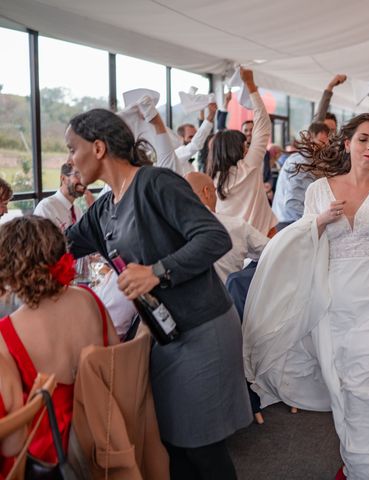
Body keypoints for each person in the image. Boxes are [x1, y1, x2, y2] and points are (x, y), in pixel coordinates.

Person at [244, 102, 369, 479]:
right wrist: (319, 221)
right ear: (347, 143)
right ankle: (358, 465)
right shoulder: (319, 190)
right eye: (363, 139)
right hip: (333, 301)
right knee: (344, 387)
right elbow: (300, 239)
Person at [64, 108, 251, 479]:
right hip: (164, 337)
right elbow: (61, 245)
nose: (70, 160)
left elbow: (214, 238)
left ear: (98, 147)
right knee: (173, 446)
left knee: (202, 450)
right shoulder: (104, 208)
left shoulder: (156, 183)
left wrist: (156, 273)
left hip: (203, 329)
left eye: (73, 148)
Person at [0, 215, 119, 468]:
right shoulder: (89, 298)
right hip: (108, 427)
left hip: (51, 454)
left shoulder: (6, 333)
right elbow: (117, 359)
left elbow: (13, 439)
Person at [207, 68, 277, 237]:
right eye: (244, 145)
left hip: (232, 244)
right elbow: (263, 123)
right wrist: (251, 86)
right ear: (234, 149)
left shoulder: (214, 178)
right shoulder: (248, 166)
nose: (247, 148)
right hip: (262, 240)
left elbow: (220, 137)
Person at [184, 171, 268, 284]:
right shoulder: (235, 225)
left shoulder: (170, 229)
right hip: (230, 299)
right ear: (207, 192)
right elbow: (270, 250)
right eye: (214, 191)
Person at [271, 122, 330, 230]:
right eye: (321, 142)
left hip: (292, 221)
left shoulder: (309, 161)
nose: (324, 148)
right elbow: (293, 203)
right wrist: (314, 224)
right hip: (290, 223)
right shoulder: (301, 162)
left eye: (326, 144)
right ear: (309, 138)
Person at [33, 163, 93, 230]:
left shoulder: (78, 211)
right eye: (77, 175)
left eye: (84, 176)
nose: (83, 181)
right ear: (63, 178)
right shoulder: (46, 208)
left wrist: (92, 207)